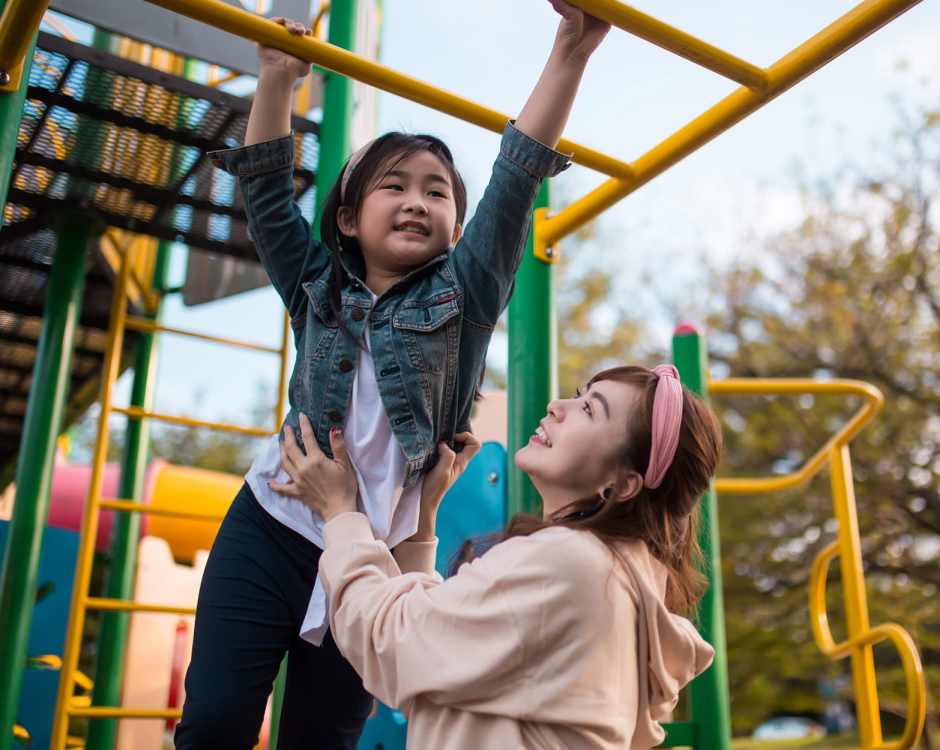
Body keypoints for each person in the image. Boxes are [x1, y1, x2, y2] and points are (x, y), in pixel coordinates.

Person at [175, 3, 609, 746]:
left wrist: (572, 46)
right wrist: (277, 77)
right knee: (215, 720)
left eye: (437, 191)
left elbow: (515, 177)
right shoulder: (315, 283)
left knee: (322, 737)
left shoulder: (465, 295)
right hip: (272, 523)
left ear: (455, 225)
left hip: (374, 554)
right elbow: (269, 197)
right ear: (347, 219)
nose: (416, 200)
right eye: (394, 186)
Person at [279, 365, 723, 748]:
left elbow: (391, 644)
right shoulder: (618, 575)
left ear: (621, 485)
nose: (557, 406)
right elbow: (437, 667)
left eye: (590, 410)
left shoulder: (572, 565)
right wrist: (423, 525)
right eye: (577, 395)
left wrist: (340, 512)